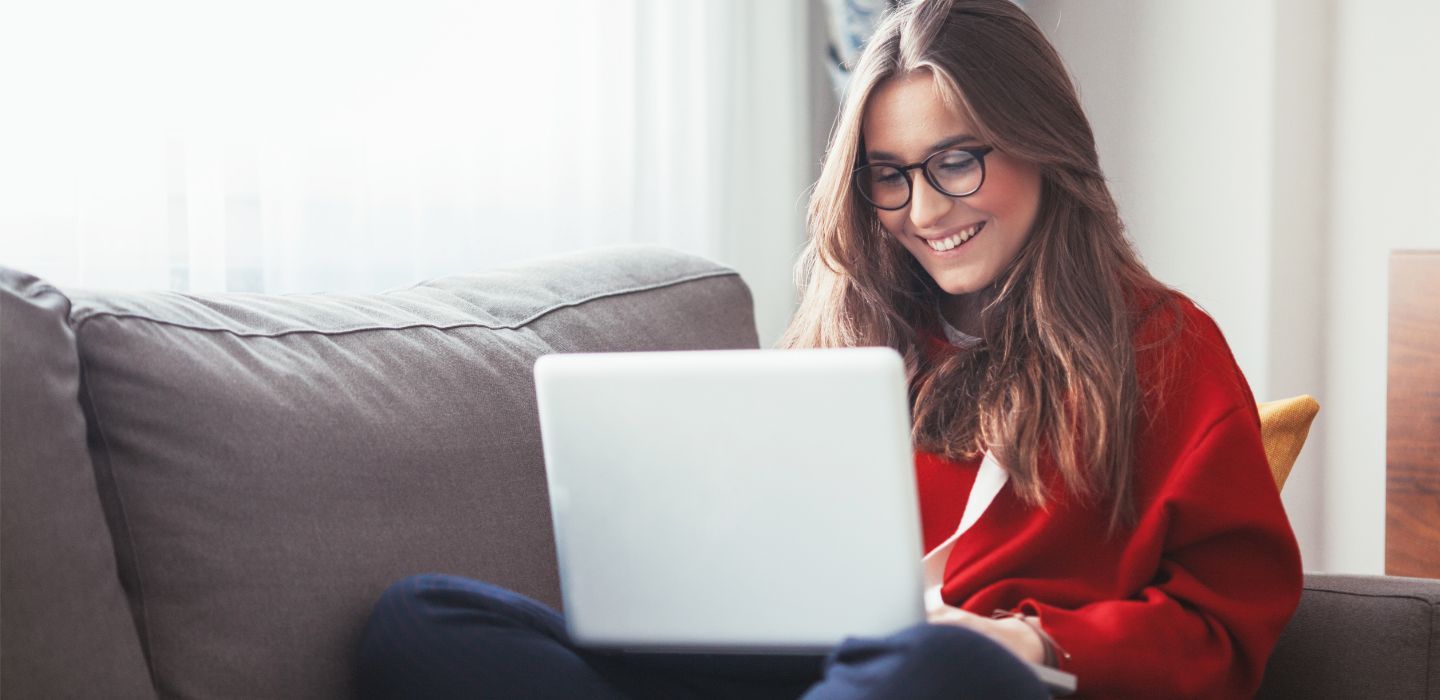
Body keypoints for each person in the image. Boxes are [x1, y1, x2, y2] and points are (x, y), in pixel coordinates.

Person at [356, 0, 1303, 697]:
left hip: (972, 680)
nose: (926, 212)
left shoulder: (1163, 345)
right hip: (804, 669)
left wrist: (1035, 643)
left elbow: (1225, 626)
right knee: (425, 616)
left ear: (1044, 149)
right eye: (889, 177)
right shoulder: (849, 338)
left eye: (957, 160)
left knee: (932, 664)